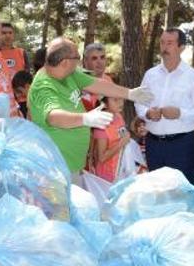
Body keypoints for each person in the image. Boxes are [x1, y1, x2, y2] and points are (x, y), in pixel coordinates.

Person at [28, 37, 154, 184]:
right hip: (56, 170)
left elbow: (97, 84)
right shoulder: (43, 87)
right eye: (77, 57)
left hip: (73, 165)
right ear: (65, 62)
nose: (79, 62)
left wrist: (129, 93)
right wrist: (85, 119)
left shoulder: (69, 73)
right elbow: (53, 117)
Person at [134, 28, 194, 184]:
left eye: (170, 43)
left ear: (181, 47)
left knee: (182, 193)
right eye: (162, 42)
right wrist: (147, 113)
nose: (164, 47)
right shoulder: (150, 74)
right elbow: (139, 101)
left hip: (182, 146)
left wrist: (180, 113)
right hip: (153, 144)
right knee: (157, 191)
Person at [92, 96, 129, 183]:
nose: (121, 103)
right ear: (104, 104)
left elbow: (123, 135)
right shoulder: (101, 125)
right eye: (116, 100)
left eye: (121, 99)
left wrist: (125, 139)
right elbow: (102, 157)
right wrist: (121, 143)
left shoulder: (118, 116)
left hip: (121, 168)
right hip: (107, 174)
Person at [81, 42, 113, 111]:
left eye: (102, 57)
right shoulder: (79, 83)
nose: (99, 62)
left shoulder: (108, 80)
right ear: (85, 61)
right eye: (94, 58)